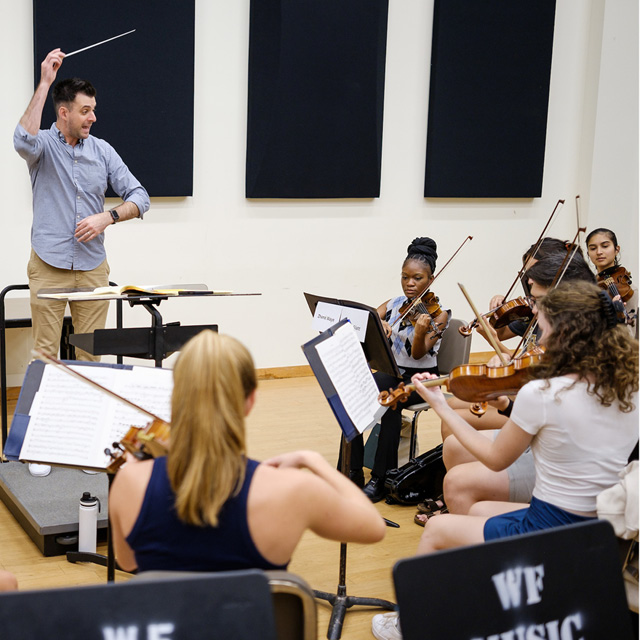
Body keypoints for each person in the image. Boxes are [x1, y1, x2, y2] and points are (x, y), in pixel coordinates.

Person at [372, 281, 638, 640]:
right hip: (600, 530)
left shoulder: (544, 393)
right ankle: (490, 609)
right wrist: (510, 406)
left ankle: (410, 626)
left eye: (542, 329)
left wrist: (438, 406)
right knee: (478, 511)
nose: (539, 341)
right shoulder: (628, 386)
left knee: (437, 530)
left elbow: (494, 460)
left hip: (551, 530)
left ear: (566, 334)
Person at [109, 330, 386, 573]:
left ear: (177, 396)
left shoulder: (130, 481)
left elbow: (129, 562)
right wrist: (312, 461)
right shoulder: (294, 489)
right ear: (250, 400)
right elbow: (373, 527)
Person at [14, 49, 150, 478]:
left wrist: (107, 216)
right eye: (85, 111)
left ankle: (91, 442)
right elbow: (20, 140)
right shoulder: (44, 147)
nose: (92, 118)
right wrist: (44, 79)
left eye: (93, 110)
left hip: (93, 269)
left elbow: (140, 197)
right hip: (49, 265)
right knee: (46, 356)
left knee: (92, 357)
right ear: (64, 112)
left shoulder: (103, 151)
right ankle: (40, 444)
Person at [422, 251, 597, 522]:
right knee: (454, 448)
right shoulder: (557, 339)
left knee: (457, 482)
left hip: (560, 464)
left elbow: (501, 454)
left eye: (537, 301)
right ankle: (470, 521)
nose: (532, 309)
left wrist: (440, 404)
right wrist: (505, 401)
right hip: (541, 437)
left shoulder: (580, 356)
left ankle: (474, 527)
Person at [346, 237, 450, 503]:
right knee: (353, 395)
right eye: (405, 277)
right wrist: (379, 325)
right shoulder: (394, 304)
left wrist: (420, 330)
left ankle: (381, 478)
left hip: (422, 381)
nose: (410, 284)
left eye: (417, 278)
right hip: (392, 373)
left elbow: (418, 354)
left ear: (431, 279)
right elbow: (368, 315)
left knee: (392, 400)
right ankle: (352, 471)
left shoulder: (438, 315)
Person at [586, 228, 637, 337]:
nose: (599, 252)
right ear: (588, 253)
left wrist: (615, 315)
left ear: (616, 249)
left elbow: (629, 335)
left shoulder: (628, 289)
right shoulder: (587, 286)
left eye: (605, 246)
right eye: (593, 248)